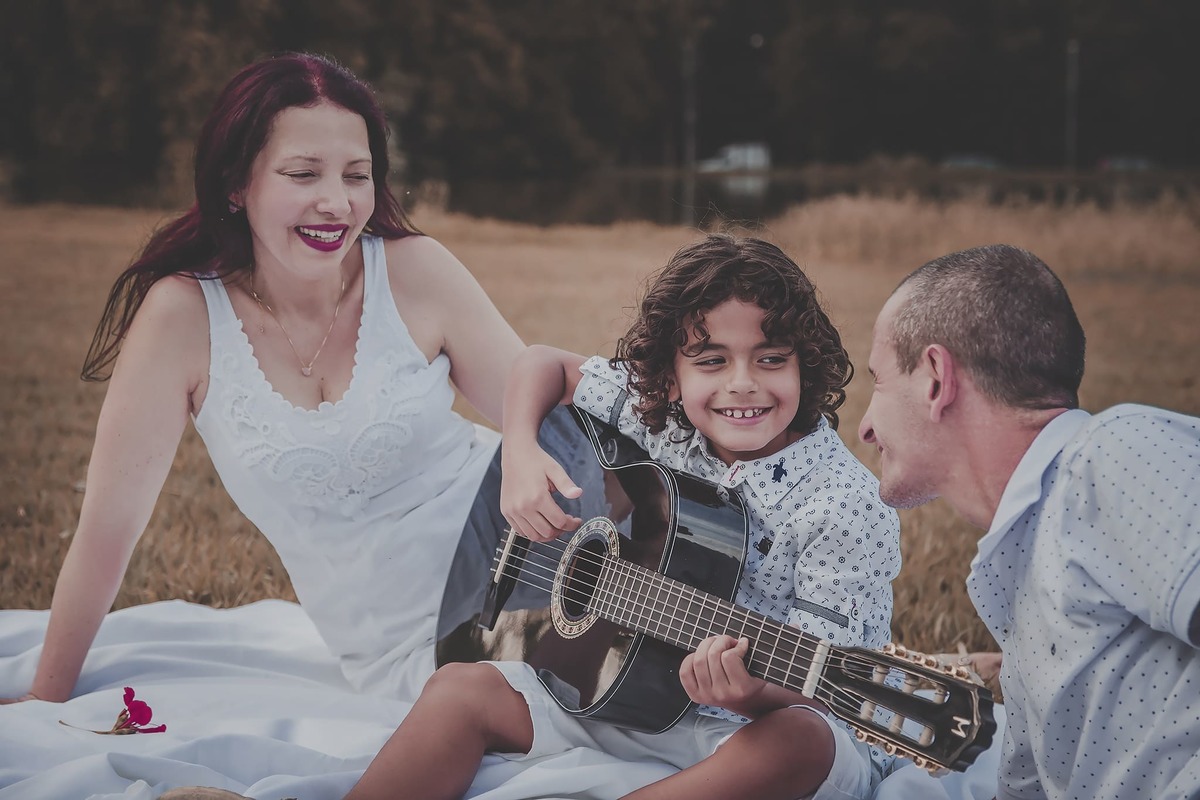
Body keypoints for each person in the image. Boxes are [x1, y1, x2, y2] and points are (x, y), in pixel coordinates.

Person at [0, 52, 575, 707]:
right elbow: (106, 533)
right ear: (234, 184)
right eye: (303, 174)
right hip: (412, 644)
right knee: (582, 704)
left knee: (684, 664)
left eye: (357, 175)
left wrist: (533, 448)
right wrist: (46, 701)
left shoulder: (416, 270)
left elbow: (552, 411)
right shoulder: (182, 319)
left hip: (541, 541)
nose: (336, 202)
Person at [346, 234, 903, 800]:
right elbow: (542, 365)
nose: (743, 382)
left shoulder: (842, 503)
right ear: (668, 378)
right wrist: (519, 452)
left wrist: (743, 691)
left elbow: (827, 684)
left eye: (771, 359)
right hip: (624, 687)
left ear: (805, 366)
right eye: (712, 361)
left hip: (746, 726)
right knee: (459, 688)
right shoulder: (668, 421)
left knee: (803, 741)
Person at [858, 243, 1200, 799]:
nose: (866, 428)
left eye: (876, 380)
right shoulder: (1018, 577)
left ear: (935, 379)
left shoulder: (1108, 456)